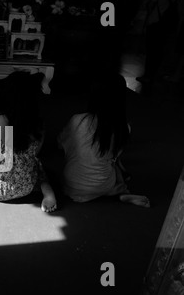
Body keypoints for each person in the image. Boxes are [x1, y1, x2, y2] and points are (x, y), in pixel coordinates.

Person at [58, 73, 150, 207]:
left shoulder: (77, 120)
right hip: (103, 185)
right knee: (112, 163)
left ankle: (117, 191)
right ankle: (121, 191)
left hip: (72, 186)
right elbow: (114, 158)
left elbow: (60, 144)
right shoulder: (123, 128)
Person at [0, 72, 58, 212]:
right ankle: (47, 191)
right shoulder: (37, 124)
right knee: (36, 165)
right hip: (26, 186)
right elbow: (35, 152)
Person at [136, 0, 180, 84]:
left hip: (155, 22)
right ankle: (153, 75)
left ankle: (148, 75)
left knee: (151, 51)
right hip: (166, 24)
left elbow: (150, 4)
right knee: (159, 51)